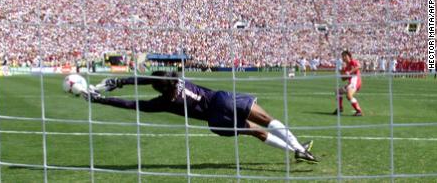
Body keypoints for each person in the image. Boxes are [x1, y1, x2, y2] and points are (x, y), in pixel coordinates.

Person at [84, 71, 319, 164]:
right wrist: (122, 81)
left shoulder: (164, 102)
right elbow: (148, 78)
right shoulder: (178, 81)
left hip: (215, 120)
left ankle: (295, 151)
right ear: (172, 81)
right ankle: (299, 147)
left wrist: (103, 99)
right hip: (222, 100)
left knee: (256, 131)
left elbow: (133, 104)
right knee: (267, 119)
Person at [333, 50, 363, 116]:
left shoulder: (353, 62)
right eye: (342, 56)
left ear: (349, 56)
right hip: (351, 83)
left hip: (356, 81)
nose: (343, 57)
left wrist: (350, 72)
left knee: (349, 95)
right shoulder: (346, 67)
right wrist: (341, 72)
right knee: (338, 91)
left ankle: (359, 111)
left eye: (345, 56)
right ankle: (340, 108)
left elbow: (359, 66)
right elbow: (343, 79)